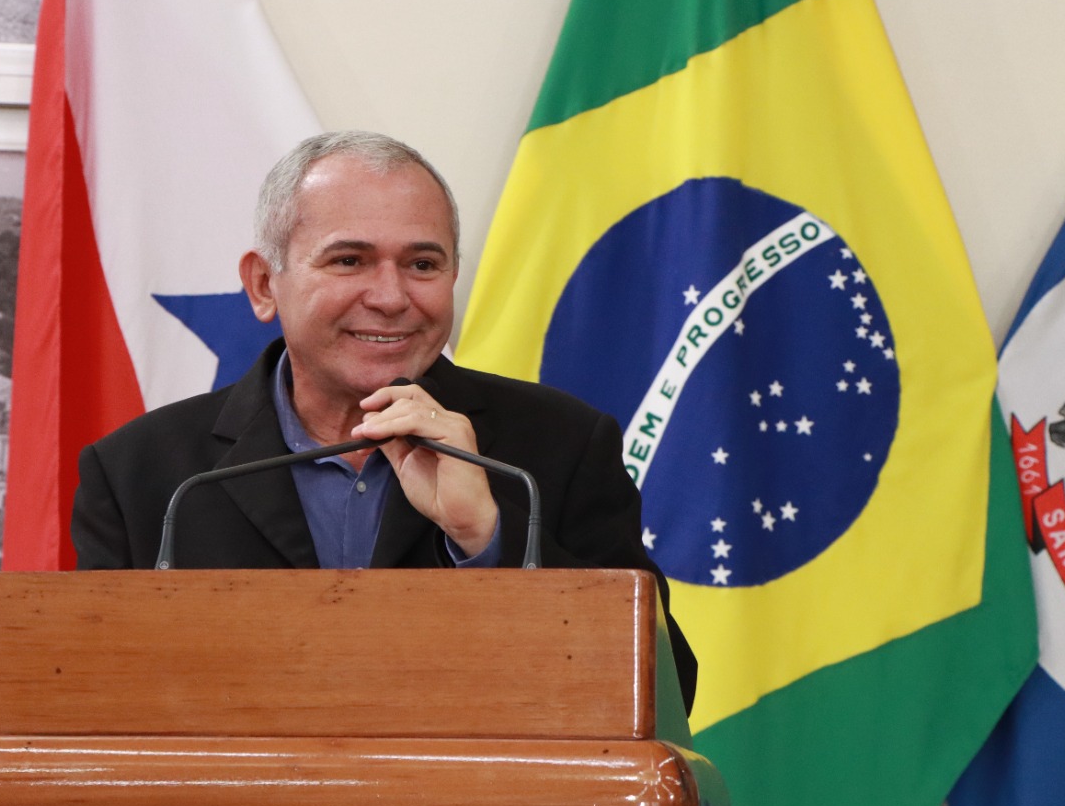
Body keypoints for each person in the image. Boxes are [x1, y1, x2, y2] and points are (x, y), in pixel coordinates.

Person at [71, 131, 696, 709]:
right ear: (263, 284)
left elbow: (663, 695)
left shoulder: (561, 444)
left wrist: (486, 536)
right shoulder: (143, 474)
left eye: (423, 265)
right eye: (349, 260)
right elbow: (91, 702)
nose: (392, 298)